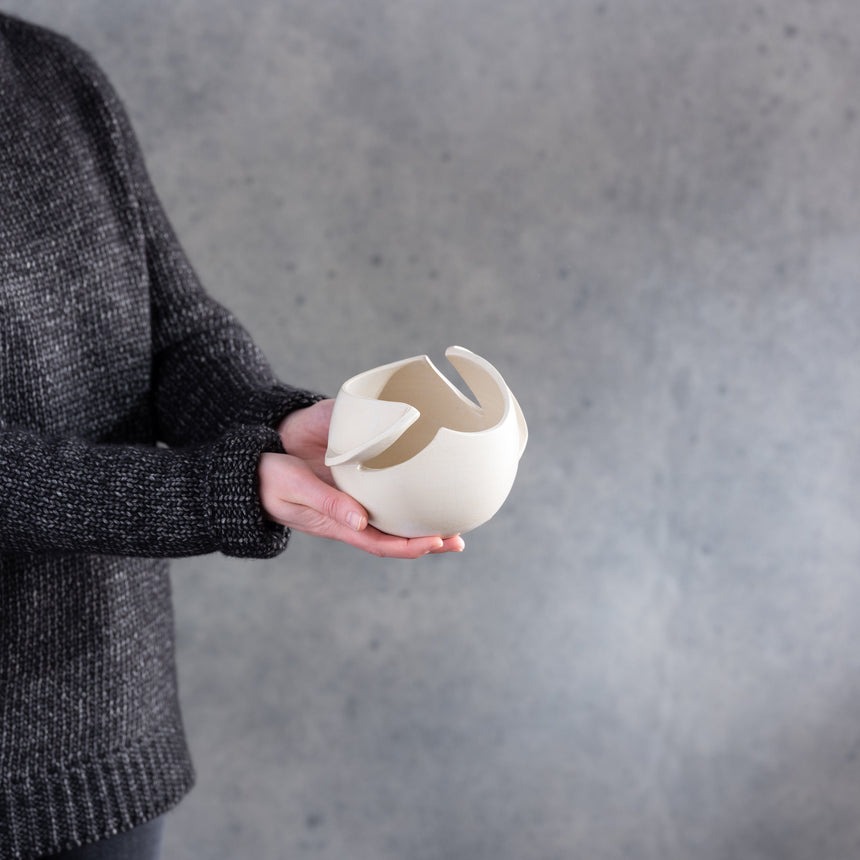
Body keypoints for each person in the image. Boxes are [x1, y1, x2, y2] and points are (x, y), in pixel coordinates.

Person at [0, 12, 463, 859]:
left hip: (106, 735)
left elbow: (176, 331)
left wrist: (286, 422)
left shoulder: (52, 76)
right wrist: (232, 487)